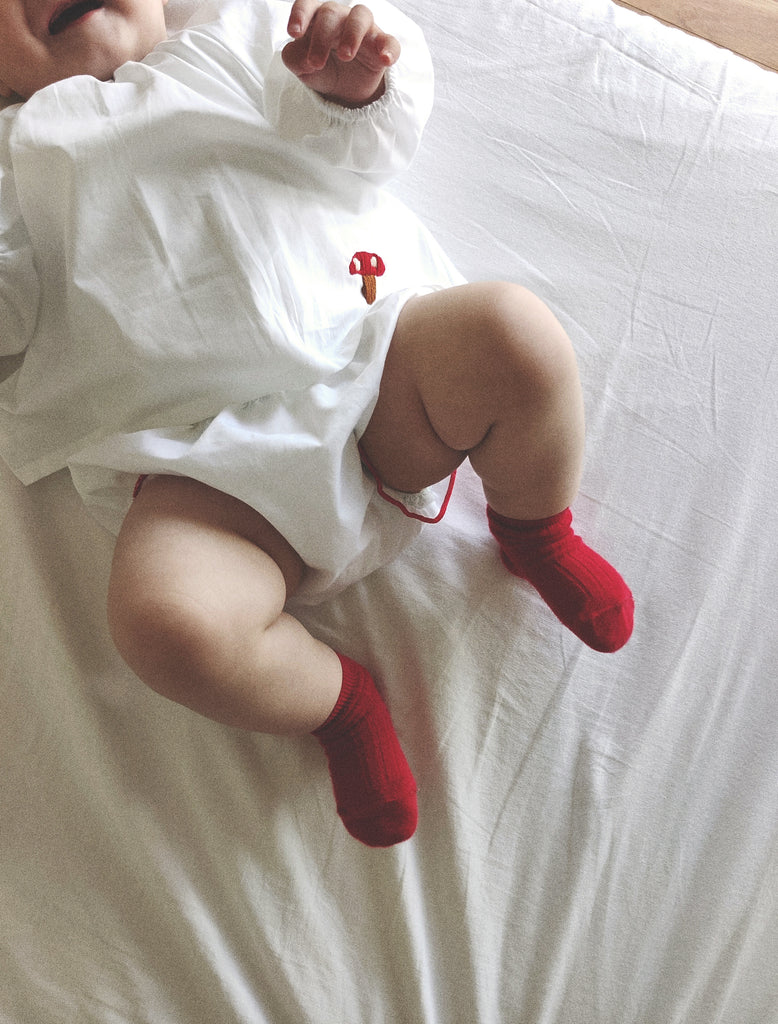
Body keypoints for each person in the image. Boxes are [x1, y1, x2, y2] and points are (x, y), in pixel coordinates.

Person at [0, 0, 633, 847]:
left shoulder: (239, 35)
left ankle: (533, 525)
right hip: (209, 471)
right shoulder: (15, 163)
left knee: (516, 337)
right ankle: (336, 702)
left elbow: (379, 140)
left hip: (379, 363)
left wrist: (355, 85)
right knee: (167, 623)